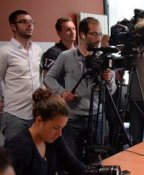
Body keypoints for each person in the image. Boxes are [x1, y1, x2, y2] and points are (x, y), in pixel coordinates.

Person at [45, 17, 117, 160]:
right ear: (83, 35)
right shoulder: (66, 56)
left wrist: (108, 80)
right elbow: (49, 78)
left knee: (95, 160)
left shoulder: (104, 58)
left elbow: (112, 90)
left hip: (97, 117)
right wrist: (62, 92)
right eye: (94, 34)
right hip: (72, 118)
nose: (98, 38)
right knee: (71, 158)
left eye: (100, 34)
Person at [4, 88, 87, 175]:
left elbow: (73, 164)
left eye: (62, 128)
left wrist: (97, 170)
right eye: (56, 128)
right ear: (39, 121)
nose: (59, 134)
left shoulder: (54, 139)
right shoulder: (19, 148)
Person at [0, 10, 42, 143]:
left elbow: (39, 77)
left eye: (31, 22)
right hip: (15, 115)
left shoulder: (37, 50)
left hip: (36, 113)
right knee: (15, 157)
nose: (29, 25)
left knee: (35, 155)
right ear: (13, 27)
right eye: (23, 22)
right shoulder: (5, 52)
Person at [41, 17, 76, 86]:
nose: (72, 32)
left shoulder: (79, 50)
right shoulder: (52, 53)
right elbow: (47, 80)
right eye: (68, 30)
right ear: (59, 33)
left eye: (73, 29)